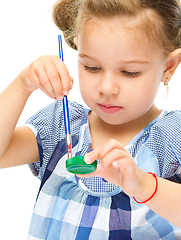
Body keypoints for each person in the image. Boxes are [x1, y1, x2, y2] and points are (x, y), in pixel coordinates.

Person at [0, 0, 181, 239]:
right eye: (92, 67)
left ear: (168, 67)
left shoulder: (172, 137)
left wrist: (144, 185)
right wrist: (22, 86)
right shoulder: (61, 125)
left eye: (130, 72)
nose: (106, 87)